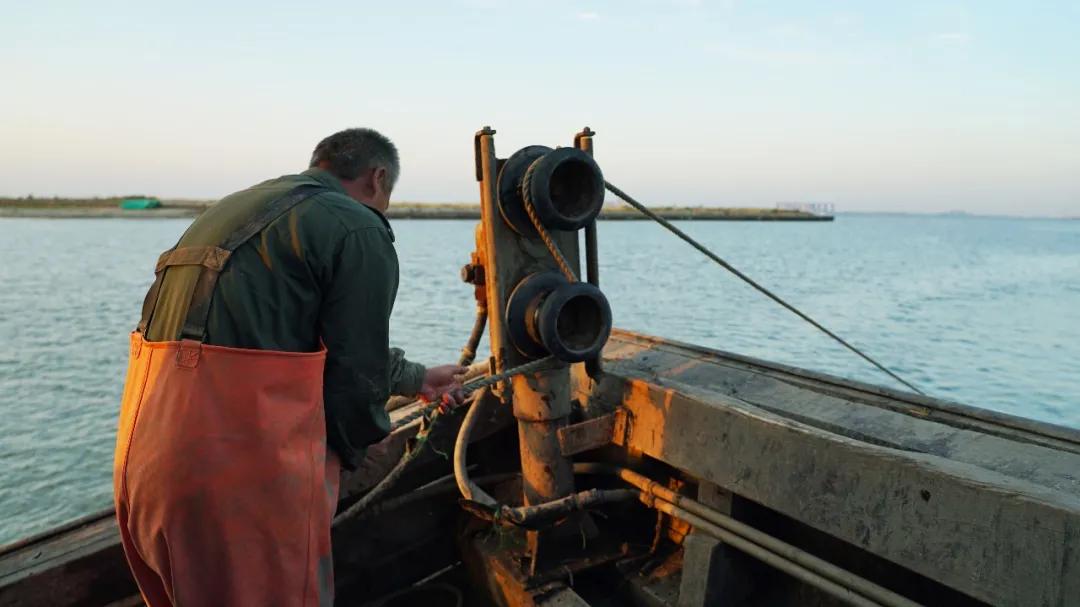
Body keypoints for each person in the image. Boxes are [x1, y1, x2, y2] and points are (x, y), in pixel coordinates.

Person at [113, 127, 464, 606]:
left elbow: (276, 337)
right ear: (377, 178)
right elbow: (354, 374)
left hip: (143, 464)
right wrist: (364, 440)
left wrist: (414, 378)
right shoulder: (357, 226)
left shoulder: (231, 209)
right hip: (237, 479)